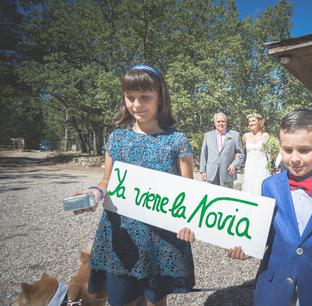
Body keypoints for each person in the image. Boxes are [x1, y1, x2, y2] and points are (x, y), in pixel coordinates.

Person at [72, 65, 196, 306]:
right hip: (121, 237)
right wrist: (94, 193)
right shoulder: (117, 138)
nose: (137, 104)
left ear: (160, 97)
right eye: (130, 97)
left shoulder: (177, 141)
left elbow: (189, 191)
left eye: (145, 97)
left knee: (155, 301)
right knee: (121, 301)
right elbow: (107, 181)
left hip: (162, 239)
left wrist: (190, 223)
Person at [228, 109, 312, 306]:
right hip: (273, 287)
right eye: (288, 150)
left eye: (304, 150)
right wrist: (247, 250)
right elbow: (267, 235)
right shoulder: (269, 186)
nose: (295, 158)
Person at [199, 112, 244, 188]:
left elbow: (240, 154)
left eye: (223, 121)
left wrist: (234, 165)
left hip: (227, 173)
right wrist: (203, 171)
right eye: (218, 121)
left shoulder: (235, 135)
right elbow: (204, 154)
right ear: (214, 123)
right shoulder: (207, 136)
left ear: (226, 122)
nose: (221, 123)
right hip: (211, 173)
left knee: (226, 198)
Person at [241, 113, 270, 195]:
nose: (251, 123)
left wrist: (272, 165)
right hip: (249, 167)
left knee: (260, 188)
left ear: (259, 122)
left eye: (253, 121)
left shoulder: (265, 136)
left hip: (262, 167)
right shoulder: (245, 136)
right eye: (249, 121)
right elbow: (240, 152)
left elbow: (269, 154)